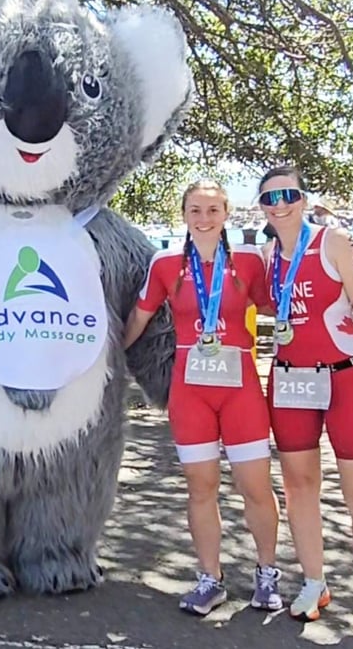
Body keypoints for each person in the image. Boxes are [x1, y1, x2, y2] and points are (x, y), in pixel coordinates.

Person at [124, 179, 281, 616]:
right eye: (195, 210)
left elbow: (275, 305)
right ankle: (210, 579)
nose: (204, 218)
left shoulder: (248, 260)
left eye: (213, 210)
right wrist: (109, 357)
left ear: (227, 214)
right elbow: (139, 316)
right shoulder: (166, 263)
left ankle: (267, 573)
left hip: (240, 389)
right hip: (190, 391)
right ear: (184, 215)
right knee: (200, 486)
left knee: (255, 485)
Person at [258, 166, 353, 641]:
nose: (280, 204)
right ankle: (315, 583)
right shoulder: (267, 255)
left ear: (303, 198)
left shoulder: (335, 241)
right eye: (269, 198)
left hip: (346, 379)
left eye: (288, 194)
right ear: (261, 207)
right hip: (291, 383)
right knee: (298, 486)